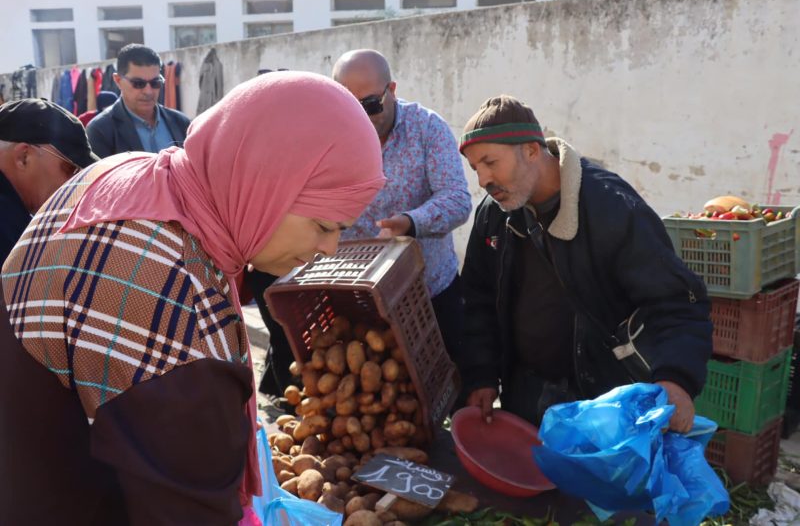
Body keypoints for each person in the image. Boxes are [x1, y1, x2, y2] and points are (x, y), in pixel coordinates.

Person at [0, 72, 384, 525]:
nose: (330, 248)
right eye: (324, 226)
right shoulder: (176, 308)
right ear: (262, 182)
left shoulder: (130, 173)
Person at [458, 95, 712, 432]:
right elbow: (478, 298)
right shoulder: (495, 214)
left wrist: (676, 380)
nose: (483, 180)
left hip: (602, 401)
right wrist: (481, 375)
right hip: (525, 395)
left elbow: (675, 301)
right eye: (476, 168)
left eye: (491, 162)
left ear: (532, 150)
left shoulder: (611, 207)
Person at [245, 49, 472, 398]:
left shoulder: (428, 128)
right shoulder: (326, 136)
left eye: (370, 105)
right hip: (356, 297)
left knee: (447, 385)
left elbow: (457, 200)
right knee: (375, 395)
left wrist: (410, 222)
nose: (360, 118)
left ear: (392, 89)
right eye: (349, 106)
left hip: (429, 290)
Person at [0, 98, 98, 263]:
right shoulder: (6, 221)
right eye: (71, 170)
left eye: (83, 174)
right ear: (24, 157)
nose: (77, 183)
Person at [87, 44, 190, 158]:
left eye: (155, 82)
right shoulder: (101, 130)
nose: (148, 91)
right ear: (118, 80)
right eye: (138, 83)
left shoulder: (181, 122)